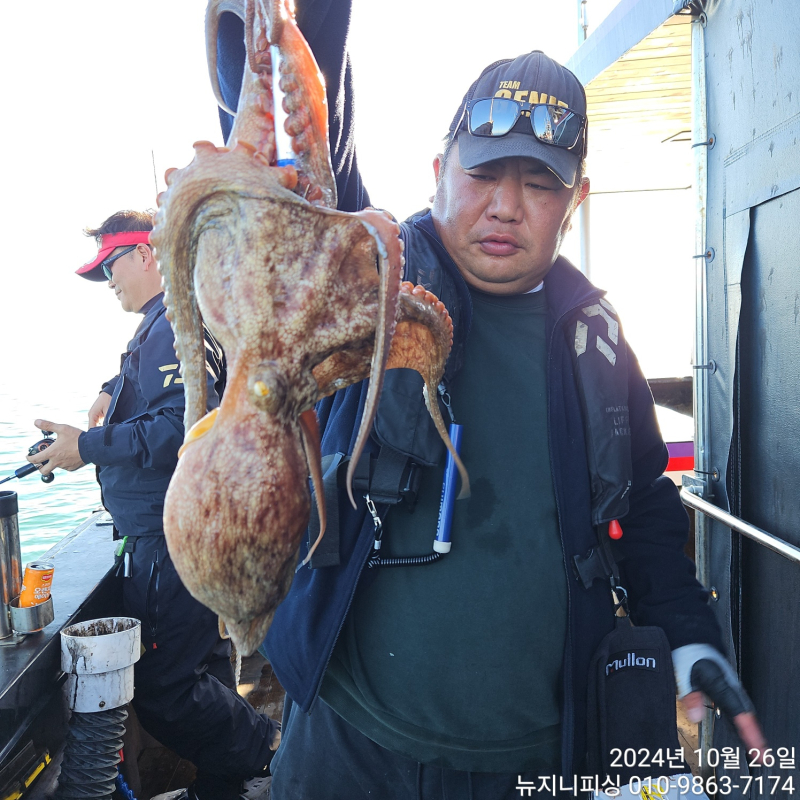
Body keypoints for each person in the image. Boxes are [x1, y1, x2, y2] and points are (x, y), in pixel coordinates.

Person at [214, 4, 767, 798]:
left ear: (575, 200)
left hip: (539, 757)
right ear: (438, 167)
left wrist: (688, 632)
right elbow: (302, 158)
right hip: (350, 739)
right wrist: (289, 24)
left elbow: (644, 503)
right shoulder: (364, 282)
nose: (507, 205)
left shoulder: (597, 342)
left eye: (541, 183)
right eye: (484, 173)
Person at [27, 210, 278, 800]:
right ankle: (227, 785)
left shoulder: (170, 325)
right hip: (187, 532)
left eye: (111, 266)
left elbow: (178, 424)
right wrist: (111, 389)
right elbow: (173, 398)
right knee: (205, 672)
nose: (108, 281)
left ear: (147, 255)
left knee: (164, 689)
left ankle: (269, 748)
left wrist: (83, 448)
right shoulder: (171, 322)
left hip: (170, 540)